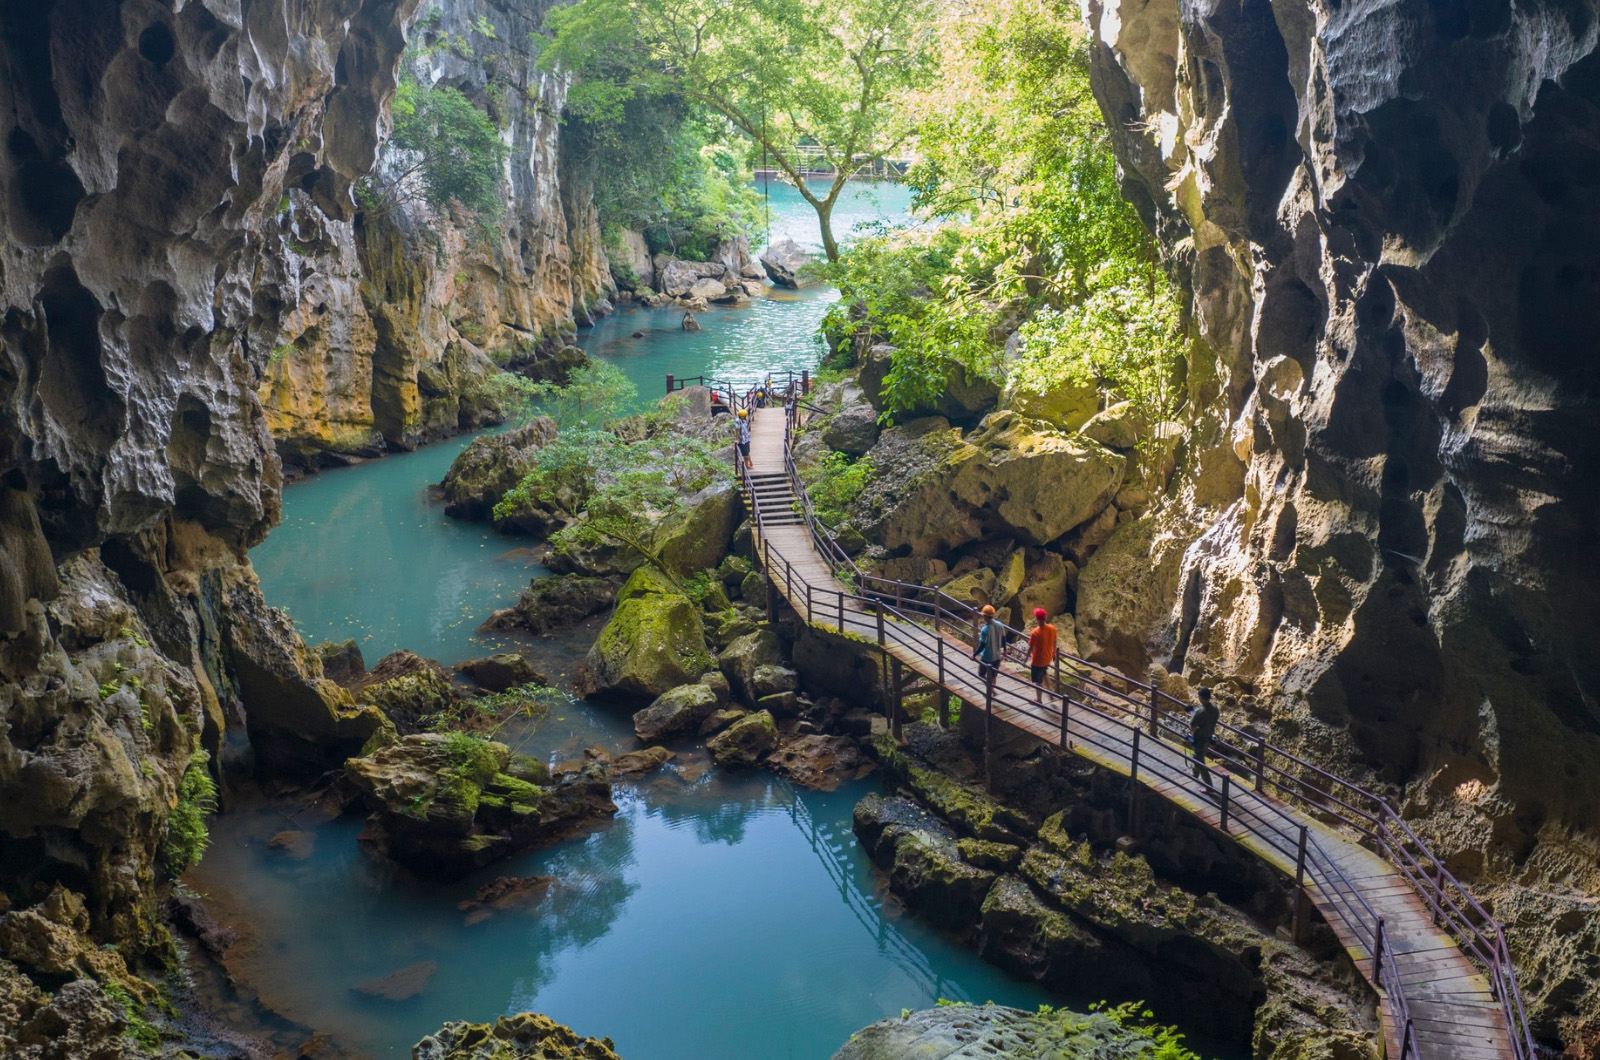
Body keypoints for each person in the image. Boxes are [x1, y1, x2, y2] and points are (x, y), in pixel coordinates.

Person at [1188, 686, 1219, 788]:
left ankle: (1209, 786)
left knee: (1199, 761)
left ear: (1200, 697)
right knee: (1199, 756)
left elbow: (1192, 726)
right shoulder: (1215, 708)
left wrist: (1192, 735)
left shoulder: (1200, 711)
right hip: (1209, 737)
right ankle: (1195, 774)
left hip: (1200, 738)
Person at [973, 604, 1004, 695]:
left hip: (987, 657)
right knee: (993, 675)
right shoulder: (1000, 625)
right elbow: (1004, 638)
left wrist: (974, 655)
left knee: (981, 674)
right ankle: (992, 690)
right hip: (997, 655)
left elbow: (982, 645)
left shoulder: (985, 629)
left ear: (985, 616)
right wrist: (1005, 651)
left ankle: (991, 691)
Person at [1027, 607, 1056, 689]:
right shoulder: (1052, 628)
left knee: (1037, 682)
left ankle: (1039, 697)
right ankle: (1050, 691)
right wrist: (1053, 654)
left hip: (1037, 661)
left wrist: (1026, 659)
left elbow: (1030, 647)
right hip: (1048, 658)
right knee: (1044, 672)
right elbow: (1055, 641)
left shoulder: (1035, 632)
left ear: (1037, 619)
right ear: (1045, 617)